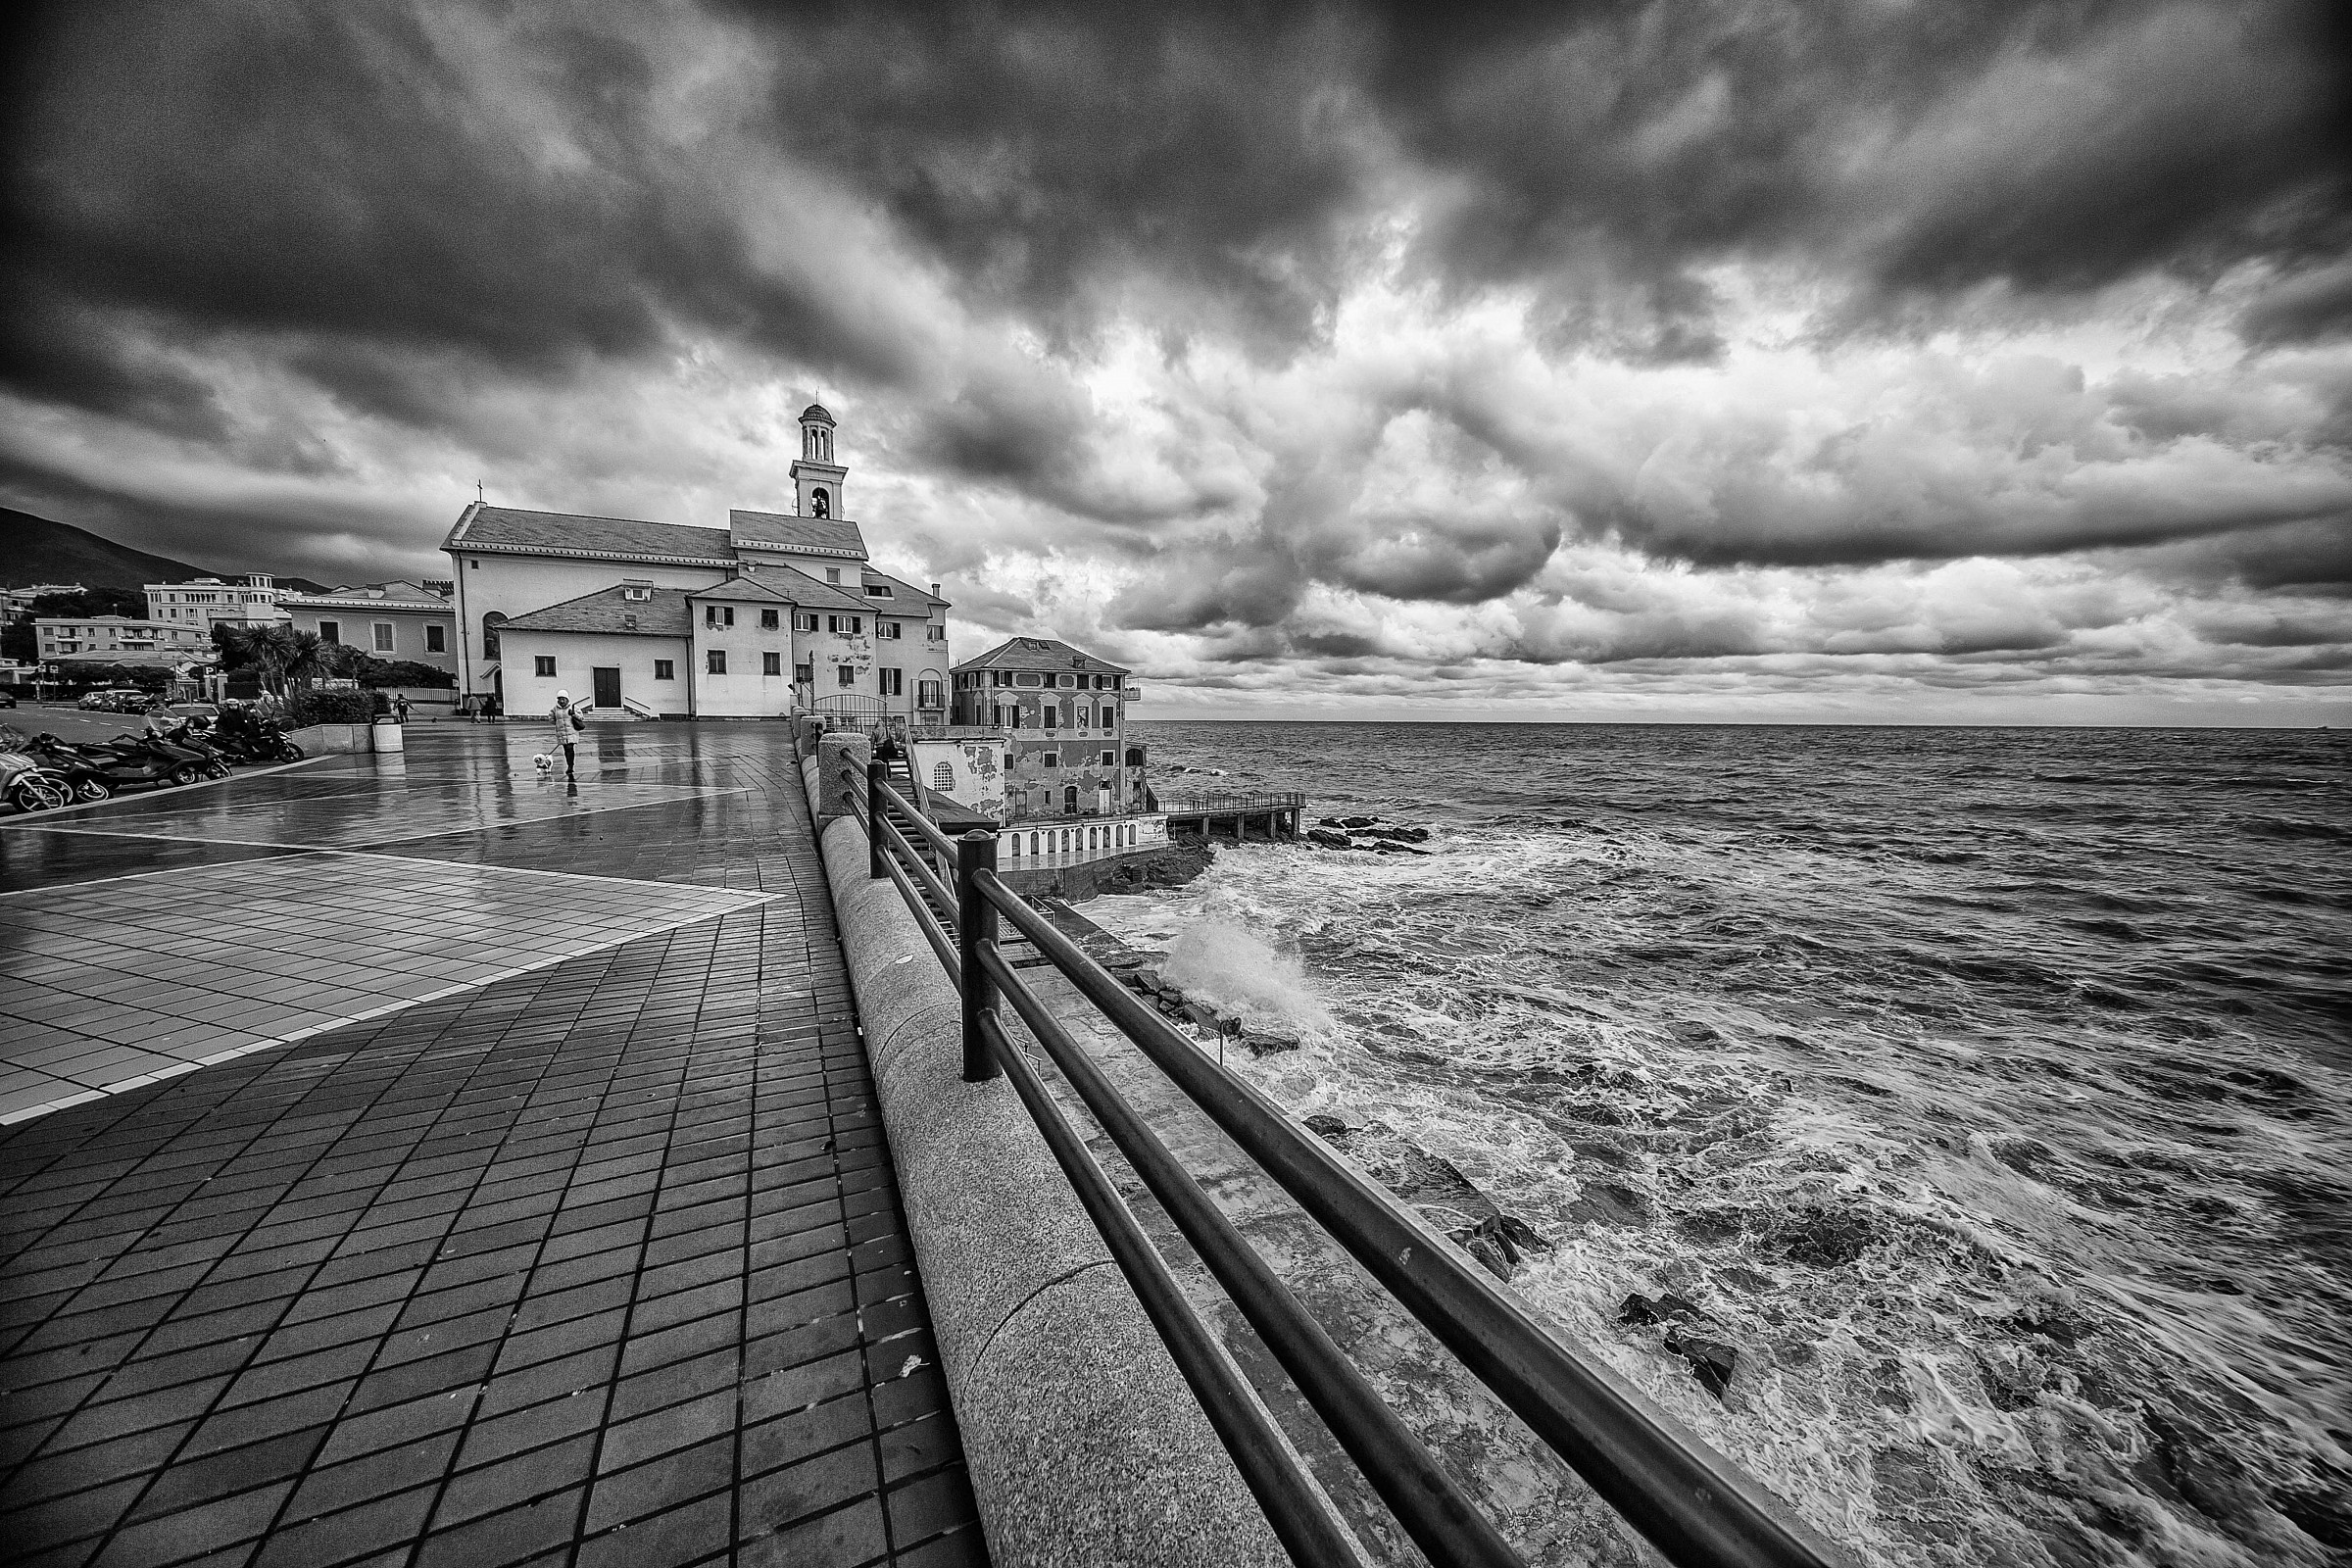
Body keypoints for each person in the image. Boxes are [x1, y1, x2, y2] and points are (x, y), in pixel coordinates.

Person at [550, 690, 585, 777]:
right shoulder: (555, 709)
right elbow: (552, 719)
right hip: (562, 733)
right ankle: (569, 764)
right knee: (566, 750)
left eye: (563, 699)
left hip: (571, 732)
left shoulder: (573, 708)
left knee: (570, 748)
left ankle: (570, 766)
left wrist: (574, 714)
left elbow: (581, 718)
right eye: (560, 699)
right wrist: (559, 724)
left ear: (567, 699)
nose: (562, 701)